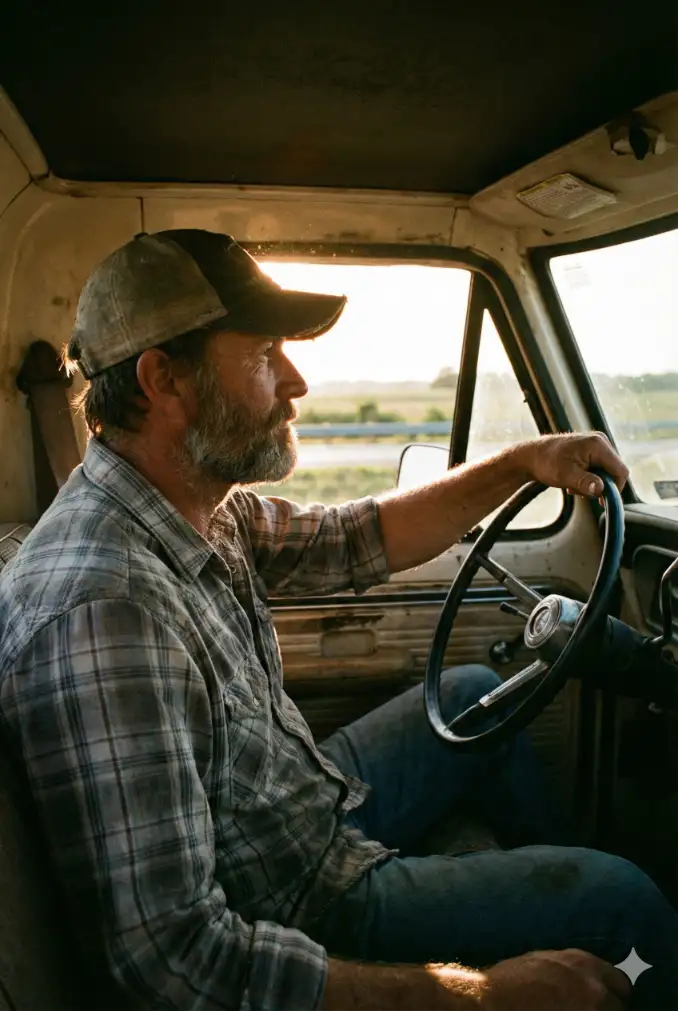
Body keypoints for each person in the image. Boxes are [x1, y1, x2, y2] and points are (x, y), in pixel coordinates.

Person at [0, 229, 674, 1011]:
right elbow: (178, 964)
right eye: (263, 355)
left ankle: (530, 902)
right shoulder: (104, 609)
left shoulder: (192, 507)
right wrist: (486, 992)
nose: (296, 380)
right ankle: (568, 939)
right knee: (622, 899)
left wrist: (524, 462)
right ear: (164, 380)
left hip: (296, 808)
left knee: (469, 690)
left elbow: (356, 538)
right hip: (301, 898)